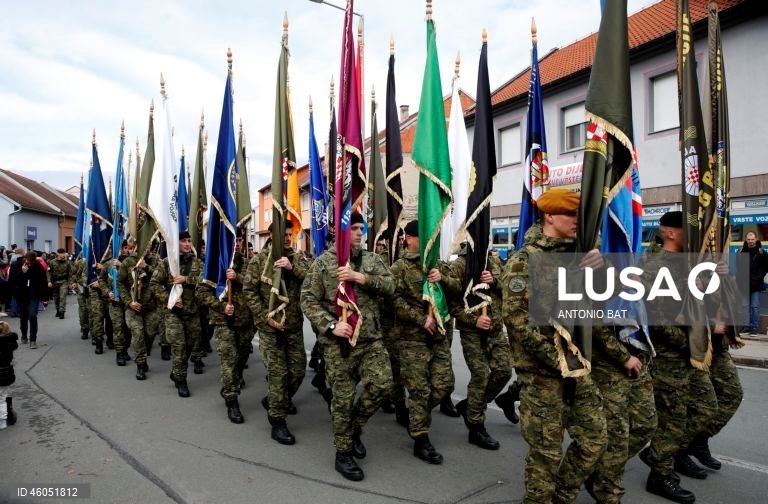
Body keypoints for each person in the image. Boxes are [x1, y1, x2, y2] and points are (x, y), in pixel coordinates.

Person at [501, 188, 607, 504]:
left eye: (579, 215)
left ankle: (563, 495)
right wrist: (559, 359)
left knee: (595, 440)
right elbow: (517, 322)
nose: (577, 221)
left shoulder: (583, 256)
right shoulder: (525, 260)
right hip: (541, 375)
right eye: (571, 215)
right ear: (550, 215)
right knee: (545, 454)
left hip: (578, 368)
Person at [300, 211, 395, 482]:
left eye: (360, 228)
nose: (357, 233)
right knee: (341, 398)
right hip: (338, 343)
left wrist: (361, 278)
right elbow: (307, 299)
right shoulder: (323, 263)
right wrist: (331, 325)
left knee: (384, 384)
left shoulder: (372, 260)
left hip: (370, 339)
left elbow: (391, 285)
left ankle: (353, 427)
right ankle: (343, 452)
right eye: (352, 228)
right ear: (340, 231)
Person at [638, 210, 715, 503]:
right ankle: (659, 474)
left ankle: (663, 453)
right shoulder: (656, 268)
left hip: (691, 352)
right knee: (672, 418)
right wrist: (684, 340)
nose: (694, 236)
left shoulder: (689, 265)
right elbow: (653, 319)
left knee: (705, 408)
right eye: (687, 230)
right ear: (670, 233)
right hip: (669, 356)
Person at [390, 220, 460, 464]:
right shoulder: (399, 268)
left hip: (438, 335)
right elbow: (393, 301)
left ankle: (415, 416)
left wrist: (443, 279)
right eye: (423, 235)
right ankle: (421, 438)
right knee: (420, 390)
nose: (431, 239)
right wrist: (420, 319)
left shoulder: (436, 264)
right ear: (409, 239)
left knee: (444, 384)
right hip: (412, 339)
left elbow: (456, 288)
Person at [244, 221, 307, 440]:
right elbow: (249, 292)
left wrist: (292, 269)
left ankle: (275, 399)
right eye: (284, 234)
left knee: (298, 370)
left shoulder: (297, 258)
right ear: (272, 235)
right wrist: (265, 317)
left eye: (290, 234)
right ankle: (277, 419)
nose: (288, 238)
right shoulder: (259, 261)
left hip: (293, 326)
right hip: (270, 329)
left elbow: (311, 280)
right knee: (278, 374)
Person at [447, 243, 511, 450]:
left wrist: (494, 281)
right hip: (472, 330)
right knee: (481, 375)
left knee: (503, 371)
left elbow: (508, 288)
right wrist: (473, 319)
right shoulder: (459, 265)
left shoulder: (491, 262)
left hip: (495, 328)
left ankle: (472, 405)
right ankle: (476, 426)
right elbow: (451, 302)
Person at [198, 229, 254, 424]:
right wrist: (222, 306)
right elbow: (202, 293)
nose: (237, 244)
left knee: (241, 358)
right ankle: (232, 400)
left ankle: (233, 384)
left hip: (245, 322)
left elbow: (254, 285)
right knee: (229, 362)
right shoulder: (213, 265)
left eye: (239, 240)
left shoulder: (249, 264)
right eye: (233, 240)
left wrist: (236, 276)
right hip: (223, 322)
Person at [150, 232, 204, 398]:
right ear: (176, 243)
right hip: (173, 313)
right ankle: (181, 380)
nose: (187, 244)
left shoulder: (197, 263)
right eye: (183, 241)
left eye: (189, 241)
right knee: (179, 346)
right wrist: (170, 299)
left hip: (192, 312)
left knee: (190, 345)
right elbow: (154, 283)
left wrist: (186, 279)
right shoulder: (167, 263)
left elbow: (205, 280)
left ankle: (177, 370)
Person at [118, 242, 160, 381]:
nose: (146, 247)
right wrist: (129, 302)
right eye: (144, 244)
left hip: (151, 306)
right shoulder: (128, 262)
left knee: (150, 334)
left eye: (149, 245)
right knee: (137, 333)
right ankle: (140, 364)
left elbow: (161, 277)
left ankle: (144, 353)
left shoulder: (155, 261)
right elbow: (120, 283)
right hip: (133, 306)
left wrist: (146, 267)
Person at [10, 252, 49, 349]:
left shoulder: (38, 268)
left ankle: (33, 340)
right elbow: (12, 281)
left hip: (33, 295)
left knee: (32, 315)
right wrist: (22, 272)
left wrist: (45, 299)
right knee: (23, 317)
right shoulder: (16, 265)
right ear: (24, 259)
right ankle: (24, 335)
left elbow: (43, 284)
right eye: (27, 262)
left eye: (31, 263)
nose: (29, 264)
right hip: (21, 295)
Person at [739, 231, 768, 335]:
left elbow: (766, 266)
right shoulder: (741, 251)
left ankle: (754, 328)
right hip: (743, 284)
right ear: (746, 240)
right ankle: (745, 327)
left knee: (754, 307)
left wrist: (759, 276)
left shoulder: (762, 252)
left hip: (756, 284)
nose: (750, 241)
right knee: (745, 307)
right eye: (749, 239)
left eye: (752, 239)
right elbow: (738, 266)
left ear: (756, 239)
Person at [0, 321, 19, 430]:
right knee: (3, 397)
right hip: (5, 375)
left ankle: (3, 419)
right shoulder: (10, 346)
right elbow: (13, 362)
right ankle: (3, 420)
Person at [46, 248, 74, 319]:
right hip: (54, 282)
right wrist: (49, 281)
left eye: (64, 253)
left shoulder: (67, 262)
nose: (63, 255)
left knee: (62, 297)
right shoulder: (52, 262)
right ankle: (58, 310)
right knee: (56, 297)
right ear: (57, 254)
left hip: (63, 282)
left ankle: (62, 312)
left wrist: (70, 283)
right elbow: (48, 272)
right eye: (61, 253)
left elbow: (70, 274)